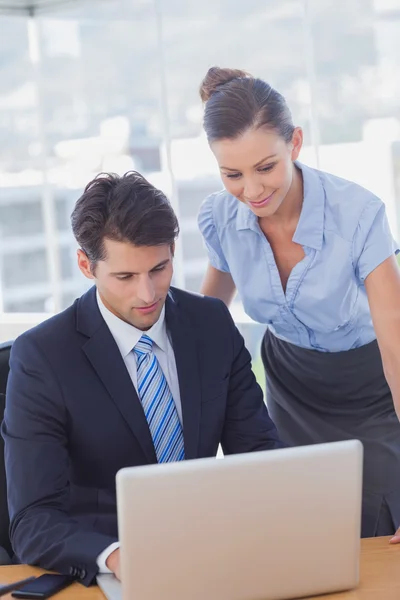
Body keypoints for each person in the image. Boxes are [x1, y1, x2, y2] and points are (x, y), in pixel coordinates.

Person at [2, 171, 283, 586]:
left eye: (159, 268)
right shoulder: (42, 357)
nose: (148, 294)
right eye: (125, 277)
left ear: (172, 251)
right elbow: (32, 520)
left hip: (213, 555)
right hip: (110, 571)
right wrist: (116, 558)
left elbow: (260, 455)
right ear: (86, 265)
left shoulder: (211, 323)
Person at [197, 66, 400, 541]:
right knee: (301, 534)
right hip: (289, 388)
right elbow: (207, 316)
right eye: (232, 174)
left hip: (370, 389)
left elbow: (396, 346)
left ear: (295, 144)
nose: (252, 191)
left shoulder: (359, 214)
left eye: (265, 167)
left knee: (376, 535)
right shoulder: (222, 217)